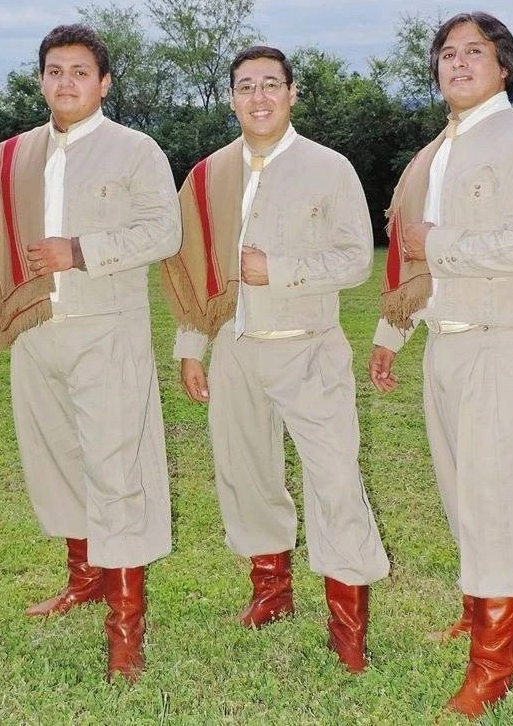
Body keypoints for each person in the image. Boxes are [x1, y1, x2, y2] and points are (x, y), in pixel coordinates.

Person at [161, 45, 389, 673]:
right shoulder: (207, 176)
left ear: (292, 94)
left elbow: (356, 260)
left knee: (335, 479)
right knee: (246, 475)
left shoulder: (329, 167)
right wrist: (191, 347)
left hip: (308, 349)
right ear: (231, 97)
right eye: (244, 86)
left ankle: (347, 620)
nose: (258, 97)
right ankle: (271, 588)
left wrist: (276, 270)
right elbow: (192, 270)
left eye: (270, 85)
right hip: (233, 350)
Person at [368, 12, 513, 718]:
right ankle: (477, 605)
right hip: (447, 341)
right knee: (461, 489)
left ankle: (493, 661)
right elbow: (414, 258)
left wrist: (439, 237)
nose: (457, 63)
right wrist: (392, 334)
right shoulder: (433, 155)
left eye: (472, 52)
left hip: (500, 338)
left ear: (503, 66)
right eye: (447, 54)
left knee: (498, 495)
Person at [0, 24, 180, 682]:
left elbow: (164, 230)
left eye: (80, 71)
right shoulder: (9, 157)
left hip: (106, 329)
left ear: (104, 82)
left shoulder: (134, 150)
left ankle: (126, 629)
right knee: (57, 461)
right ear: (41, 79)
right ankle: (84, 578)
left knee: (116, 469)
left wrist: (79, 250)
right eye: (55, 70)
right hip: (33, 332)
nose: (66, 82)